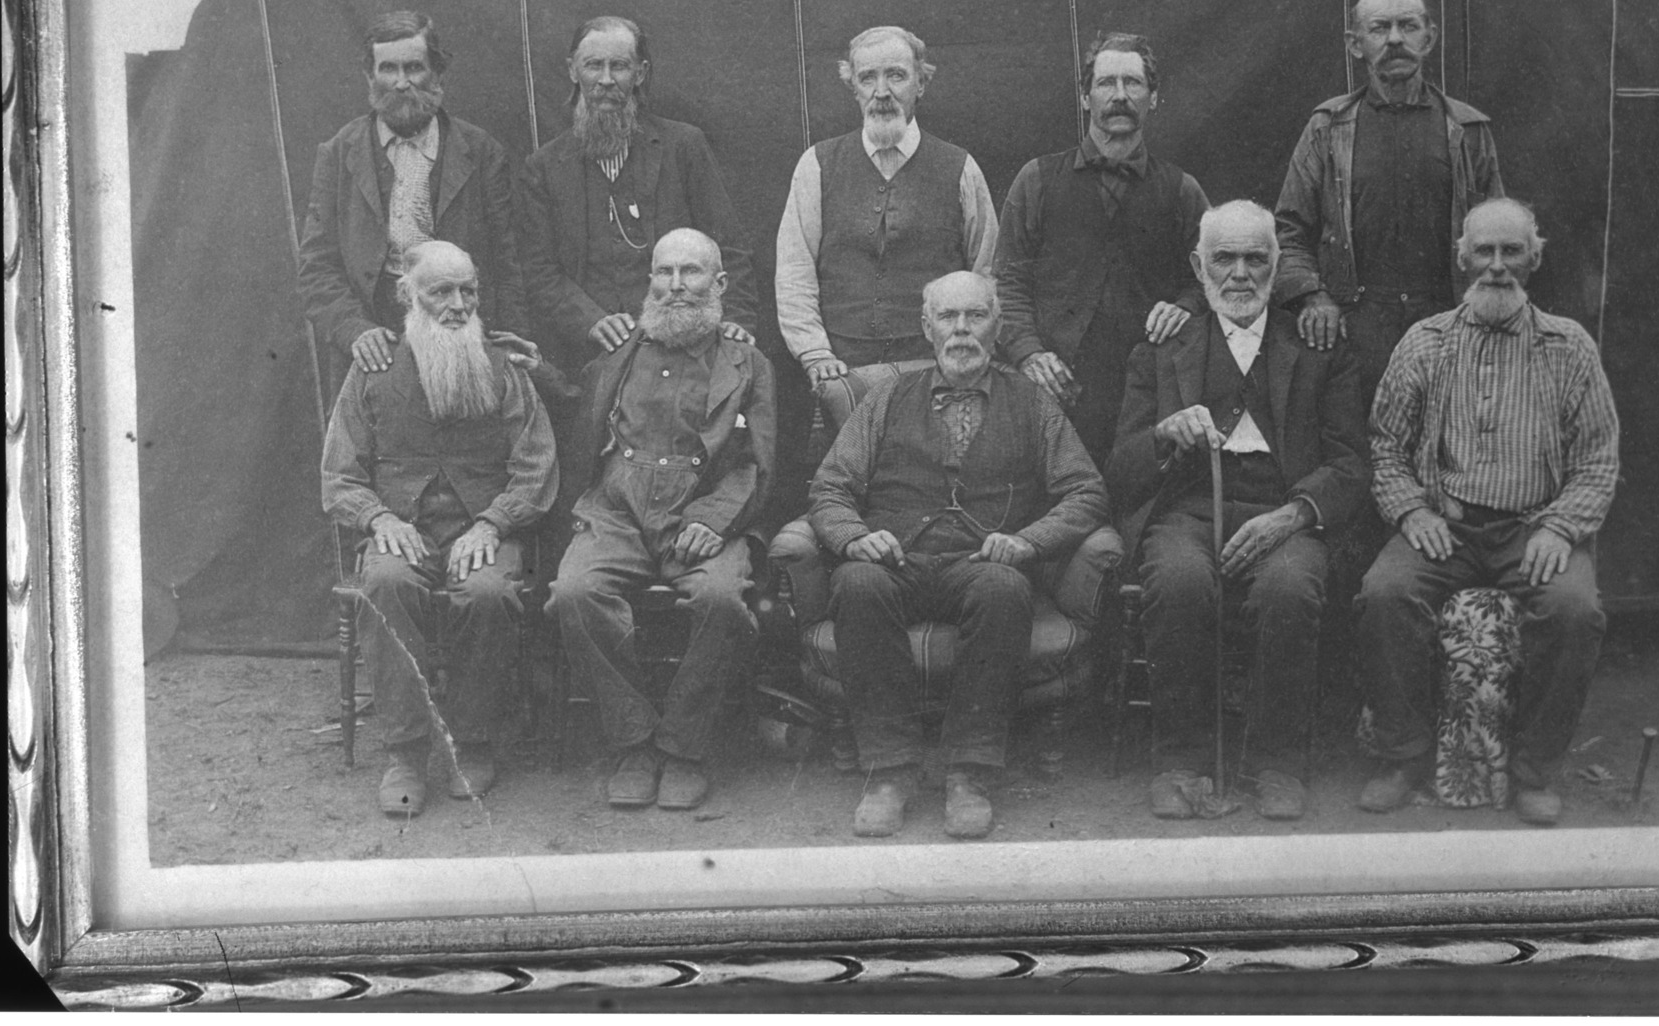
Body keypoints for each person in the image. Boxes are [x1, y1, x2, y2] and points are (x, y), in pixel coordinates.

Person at [808, 272, 1107, 840]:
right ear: (927, 327)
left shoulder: (1033, 402)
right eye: (949, 317)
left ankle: (969, 773)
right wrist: (853, 536)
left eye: (975, 316)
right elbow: (830, 488)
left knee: (1004, 588)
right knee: (856, 582)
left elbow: (1087, 491)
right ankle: (888, 773)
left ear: (998, 325)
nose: (962, 330)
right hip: (897, 562)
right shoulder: (887, 398)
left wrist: (1030, 541)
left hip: (981, 564)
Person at [1357, 199, 1619, 826]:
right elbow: (1386, 446)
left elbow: (1598, 458)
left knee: (1575, 610)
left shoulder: (1569, 347)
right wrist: (1410, 511)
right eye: (1484, 252)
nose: (1497, 267)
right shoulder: (1424, 343)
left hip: (1533, 527)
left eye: (1511, 252)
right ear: (1462, 257)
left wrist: (1560, 526)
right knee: (1381, 594)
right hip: (1444, 526)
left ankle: (1532, 771)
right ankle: (1405, 757)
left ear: (1535, 257)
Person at [1107, 201, 1369, 821]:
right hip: (1187, 513)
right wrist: (1165, 434)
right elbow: (1120, 470)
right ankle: (1182, 762)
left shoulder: (1317, 349)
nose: (1241, 274)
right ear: (1199, 268)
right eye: (1225, 258)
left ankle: (1275, 765)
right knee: (1176, 579)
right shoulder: (1161, 350)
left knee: (1290, 586)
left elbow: (1352, 464)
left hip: (1286, 514)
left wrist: (1296, 515)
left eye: (1257, 258)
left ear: (1279, 268)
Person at [320, 241, 557, 818]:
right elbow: (339, 474)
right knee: (387, 584)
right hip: (401, 528)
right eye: (440, 291)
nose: (457, 304)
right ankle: (404, 754)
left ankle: (471, 742)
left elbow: (537, 464)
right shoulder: (372, 369)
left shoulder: (504, 366)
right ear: (408, 296)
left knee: (488, 591)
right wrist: (377, 518)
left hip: (484, 527)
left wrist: (494, 523)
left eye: (467, 290)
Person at [545, 228, 776, 812]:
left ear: (719, 283)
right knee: (574, 591)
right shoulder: (618, 355)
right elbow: (580, 416)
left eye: (691, 273)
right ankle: (633, 743)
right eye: (664, 273)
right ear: (649, 281)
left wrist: (717, 518)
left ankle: (684, 748)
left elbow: (761, 461)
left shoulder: (747, 362)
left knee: (722, 599)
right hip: (617, 509)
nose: (676, 286)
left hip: (703, 511)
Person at [1272, 0, 1504, 405]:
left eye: (1407, 26)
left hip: (1448, 326)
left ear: (1429, 37)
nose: (1395, 39)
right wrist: (1312, 295)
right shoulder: (1326, 128)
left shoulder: (1468, 131)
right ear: (1355, 44)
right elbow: (1289, 230)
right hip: (1353, 331)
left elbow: (1500, 242)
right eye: (1379, 28)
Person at [995, 32, 1210, 468]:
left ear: (1154, 99)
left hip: (1150, 391)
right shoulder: (1036, 179)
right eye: (1106, 83)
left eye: (1133, 84)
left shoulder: (1182, 190)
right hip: (1056, 385)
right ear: (1084, 97)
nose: (1119, 96)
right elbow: (1006, 281)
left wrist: (1187, 304)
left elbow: (1215, 277)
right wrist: (1028, 353)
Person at [298, 11, 529, 390]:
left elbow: (508, 264)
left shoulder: (481, 151)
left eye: (414, 68)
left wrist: (510, 350)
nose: (402, 83)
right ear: (370, 77)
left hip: (462, 329)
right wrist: (355, 330)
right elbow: (316, 268)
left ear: (437, 74)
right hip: (374, 338)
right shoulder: (339, 153)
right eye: (388, 69)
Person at [519, 16, 759, 375]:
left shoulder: (683, 146)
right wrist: (591, 321)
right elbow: (539, 271)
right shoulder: (545, 166)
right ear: (573, 71)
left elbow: (728, 246)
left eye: (619, 66)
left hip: (683, 345)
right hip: (593, 354)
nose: (605, 80)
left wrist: (737, 319)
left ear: (640, 73)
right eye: (593, 66)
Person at [775, 25, 999, 387]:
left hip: (936, 371)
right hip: (841, 372)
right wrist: (815, 353)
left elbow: (986, 273)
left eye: (896, 76)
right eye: (867, 78)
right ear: (853, 89)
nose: (882, 93)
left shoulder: (960, 168)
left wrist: (964, 356)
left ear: (920, 84)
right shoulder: (817, 164)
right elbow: (794, 273)